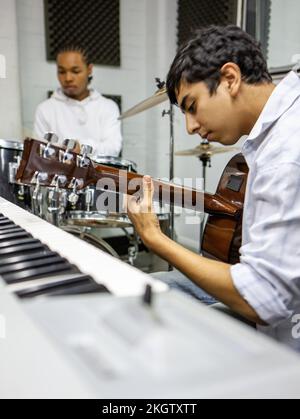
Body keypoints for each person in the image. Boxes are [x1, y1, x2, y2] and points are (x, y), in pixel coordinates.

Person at [125, 25, 300, 351]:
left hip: (285, 342)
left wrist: (155, 239)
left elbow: (264, 300)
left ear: (230, 78)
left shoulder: (285, 153)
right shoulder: (277, 133)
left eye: (192, 106)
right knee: (149, 289)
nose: (190, 127)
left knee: (156, 327)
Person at [34, 45, 122, 157]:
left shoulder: (108, 107)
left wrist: (82, 147)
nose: (68, 78)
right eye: (61, 72)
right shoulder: (45, 109)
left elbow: (113, 149)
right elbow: (40, 155)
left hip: (97, 174)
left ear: (89, 69)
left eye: (75, 71)